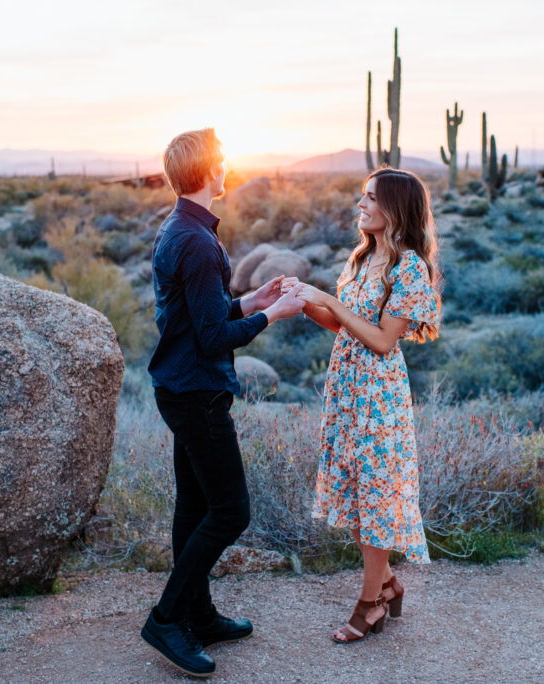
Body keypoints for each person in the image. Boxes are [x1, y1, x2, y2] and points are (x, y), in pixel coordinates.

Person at [141, 128, 305, 677]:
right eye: (221, 159)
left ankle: (199, 613)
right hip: (197, 394)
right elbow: (212, 339)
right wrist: (271, 316)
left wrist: (249, 300)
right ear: (208, 171)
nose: (227, 165)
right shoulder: (195, 239)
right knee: (231, 511)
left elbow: (200, 318)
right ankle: (167, 619)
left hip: (180, 386)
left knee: (193, 507)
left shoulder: (182, 228)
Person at [283, 167, 441, 643]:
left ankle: (369, 603)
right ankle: (389, 584)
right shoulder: (362, 257)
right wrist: (302, 303)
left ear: (394, 208)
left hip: (378, 395)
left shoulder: (408, 267)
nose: (361, 204)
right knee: (356, 497)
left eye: (371, 198)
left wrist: (328, 297)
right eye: (362, 196)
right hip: (346, 390)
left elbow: (381, 339)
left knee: (375, 497)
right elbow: (346, 326)